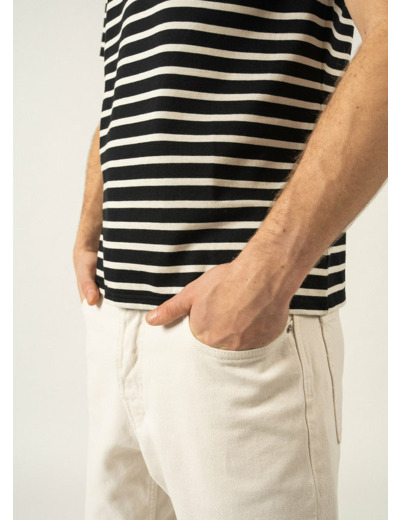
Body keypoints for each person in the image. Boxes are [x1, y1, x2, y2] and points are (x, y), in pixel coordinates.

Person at [73, 0, 387, 518]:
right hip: (114, 322)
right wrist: (91, 226)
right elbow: (130, 84)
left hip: (236, 338)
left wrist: (267, 275)